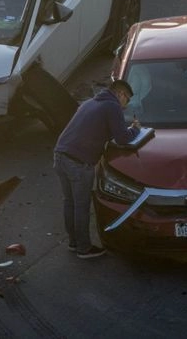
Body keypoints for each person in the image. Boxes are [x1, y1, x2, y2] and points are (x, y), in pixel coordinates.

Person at [53, 79, 140, 259]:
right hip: (79, 163)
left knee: (69, 203)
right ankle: (84, 249)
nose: (125, 106)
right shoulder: (112, 106)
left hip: (60, 155)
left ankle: (73, 242)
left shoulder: (89, 103)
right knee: (82, 207)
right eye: (127, 100)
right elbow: (123, 138)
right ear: (121, 94)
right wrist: (136, 130)